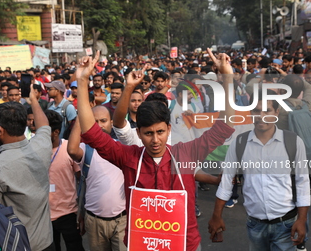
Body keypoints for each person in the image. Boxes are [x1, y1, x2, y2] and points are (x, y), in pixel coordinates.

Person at [75, 49, 235, 251]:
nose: (155, 140)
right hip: (142, 245)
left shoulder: (186, 153)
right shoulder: (128, 157)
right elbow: (91, 134)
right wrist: (82, 82)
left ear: (169, 129)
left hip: (184, 245)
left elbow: (225, 127)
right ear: (139, 133)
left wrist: (227, 77)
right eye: (148, 134)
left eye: (160, 131)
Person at [208, 90, 310, 251]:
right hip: (255, 225)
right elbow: (227, 181)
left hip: (286, 224)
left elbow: (302, 182)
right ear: (250, 113)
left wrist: (302, 219)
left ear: (276, 112)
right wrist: (216, 215)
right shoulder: (239, 143)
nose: (261, 115)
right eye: (256, 110)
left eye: (267, 110)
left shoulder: (293, 142)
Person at [0, 87, 55, 251]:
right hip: (46, 241)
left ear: (0, 129)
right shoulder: (41, 147)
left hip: (16, 244)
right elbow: (44, 125)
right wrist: (34, 100)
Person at [68, 111, 127, 251]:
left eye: (103, 120)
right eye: (94, 122)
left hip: (122, 221)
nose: (99, 126)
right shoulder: (86, 150)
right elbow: (71, 150)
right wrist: (80, 119)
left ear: (111, 123)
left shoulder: (123, 147)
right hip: (94, 222)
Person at [44, 110, 84, 251]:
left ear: (55, 132)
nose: (39, 134)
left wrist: (81, 211)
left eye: (43, 131)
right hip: (44, 214)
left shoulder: (69, 148)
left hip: (68, 213)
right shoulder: (34, 150)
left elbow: (81, 180)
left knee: (74, 247)